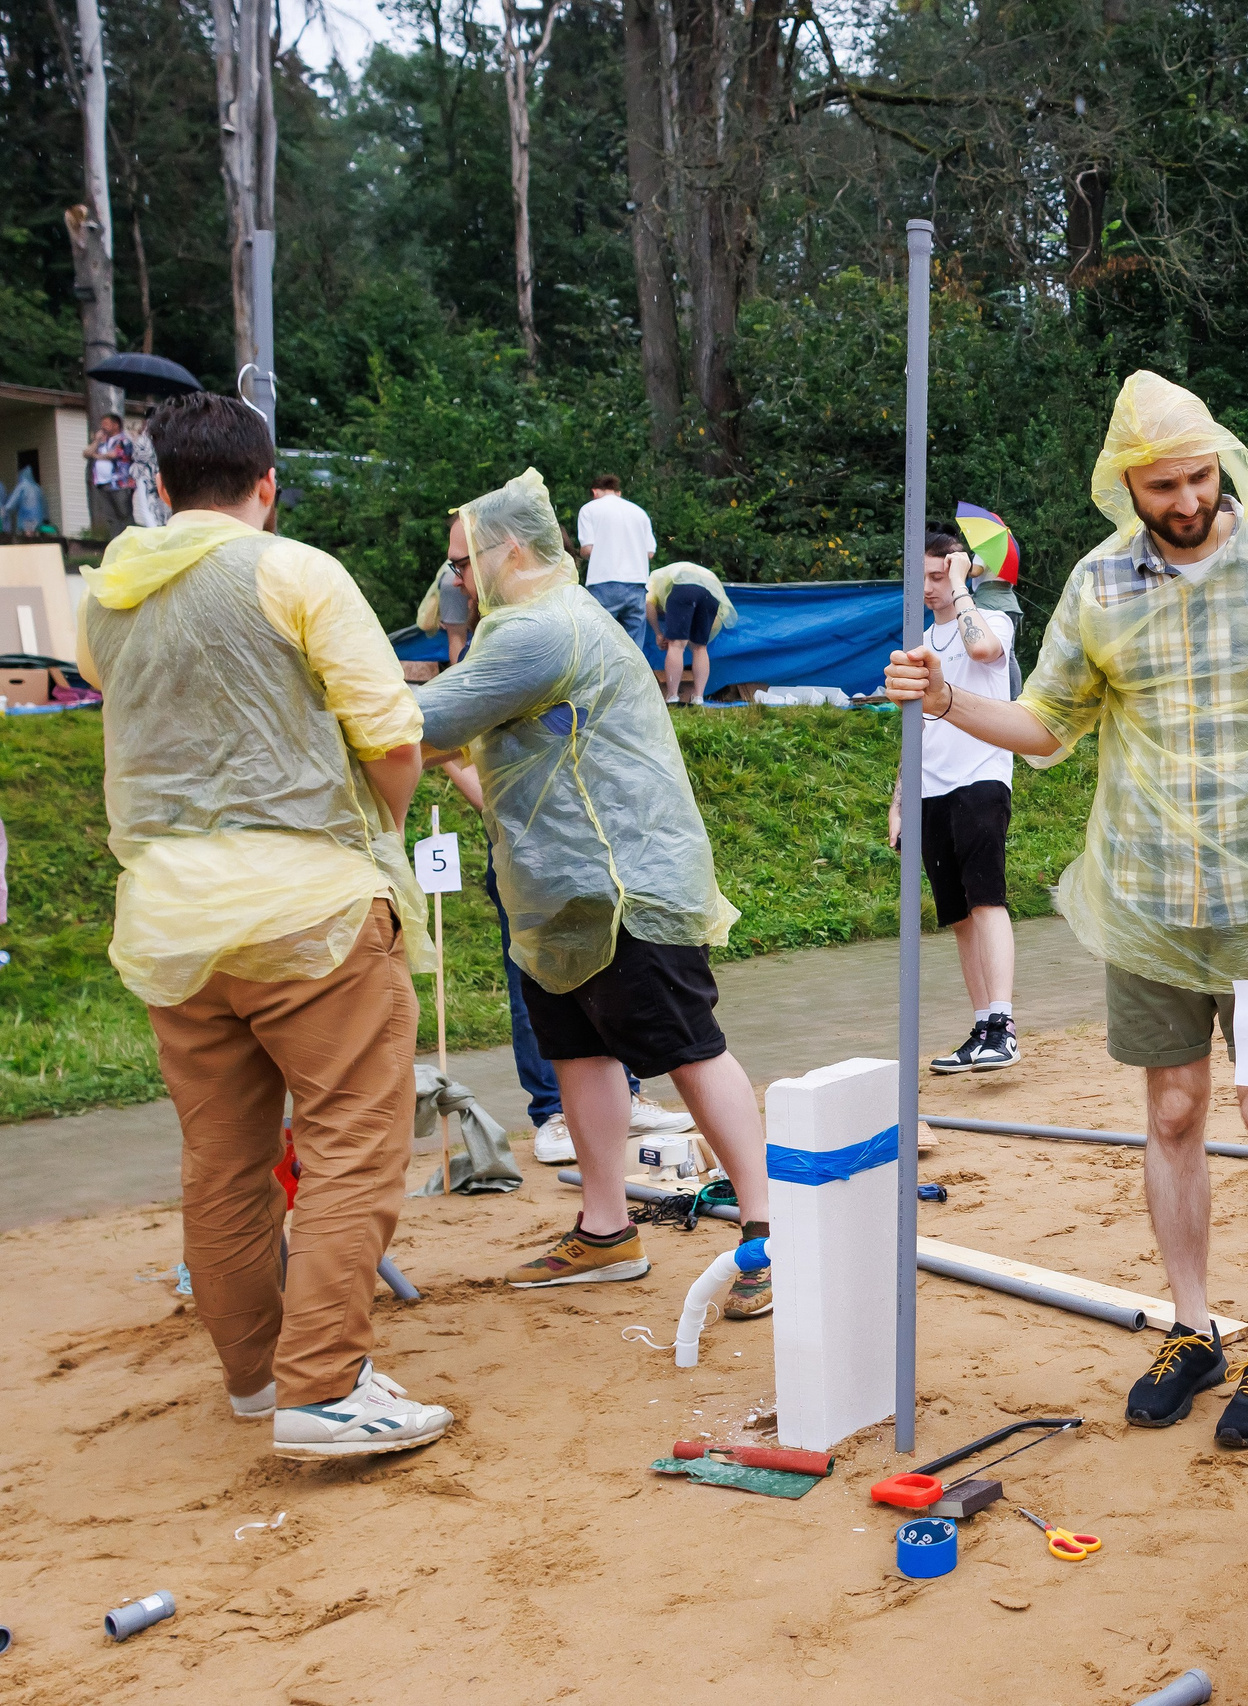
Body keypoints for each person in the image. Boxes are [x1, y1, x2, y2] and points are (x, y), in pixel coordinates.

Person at [884, 372, 1248, 1450]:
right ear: (1130, 484)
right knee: (1171, 1112)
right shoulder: (1098, 584)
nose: (1188, 498)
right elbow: (1045, 724)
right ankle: (1192, 1323)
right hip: (1154, 894)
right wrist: (944, 700)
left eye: (1201, 476)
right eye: (1164, 484)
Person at [78, 391, 453, 1459]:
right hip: (308, 913)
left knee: (223, 1158)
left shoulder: (104, 594)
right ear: (267, 483)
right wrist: (369, 838)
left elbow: (131, 695)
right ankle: (326, 1386)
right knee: (349, 1145)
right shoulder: (294, 571)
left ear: (159, 482)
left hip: (169, 918)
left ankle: (254, 1374)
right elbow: (391, 732)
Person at [416, 470, 773, 1318]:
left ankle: (770, 1228)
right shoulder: (540, 626)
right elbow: (503, 763)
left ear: (508, 550)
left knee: (689, 1048)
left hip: (625, 886)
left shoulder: (538, 632)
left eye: (464, 563)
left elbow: (422, 722)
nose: (455, 582)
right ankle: (607, 1230)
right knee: (578, 1050)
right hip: (567, 892)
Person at [438, 758, 693, 1161]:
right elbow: (453, 752)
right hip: (529, 845)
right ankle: (553, 1112)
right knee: (540, 981)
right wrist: (511, 812)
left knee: (607, 971)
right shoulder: (491, 700)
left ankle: (624, 1098)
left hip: (594, 837)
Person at [887, 529, 1024, 1074]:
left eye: (938, 575)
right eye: (920, 577)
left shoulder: (992, 623)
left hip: (981, 778)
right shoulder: (920, 638)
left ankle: (1004, 1026)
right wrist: (899, 800)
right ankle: (982, 1023)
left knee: (987, 898)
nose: (929, 587)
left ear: (959, 571)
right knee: (959, 915)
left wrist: (964, 585)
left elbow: (983, 650)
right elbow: (913, 722)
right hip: (930, 787)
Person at [574, 474, 656, 652]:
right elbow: (649, 553)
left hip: (604, 581)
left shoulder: (589, 509)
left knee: (599, 639)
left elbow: (587, 548)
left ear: (595, 492)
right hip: (637, 583)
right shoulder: (639, 512)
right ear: (618, 492)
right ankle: (632, 678)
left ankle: (602, 678)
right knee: (633, 647)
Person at [644, 561, 735, 706]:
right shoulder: (673, 571)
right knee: (700, 647)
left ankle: (672, 696)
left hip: (684, 587)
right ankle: (699, 697)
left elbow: (648, 604)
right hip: (712, 589)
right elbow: (714, 621)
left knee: (676, 645)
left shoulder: (654, 579)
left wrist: (658, 633)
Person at [85, 413, 135, 541]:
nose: (103, 427)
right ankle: (116, 542)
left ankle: (131, 541)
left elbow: (114, 454)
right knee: (111, 517)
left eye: (106, 424)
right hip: (103, 483)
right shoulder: (102, 441)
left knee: (124, 514)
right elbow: (86, 453)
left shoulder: (124, 440)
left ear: (116, 425)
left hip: (120, 483)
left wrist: (96, 456)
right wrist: (96, 440)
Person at [2, 461, 46, 539]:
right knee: (36, 538)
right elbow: (45, 505)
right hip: (39, 519)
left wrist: (4, 510)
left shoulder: (22, 487)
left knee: (28, 539)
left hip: (27, 519)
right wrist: (46, 518)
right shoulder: (37, 487)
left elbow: (12, 503)